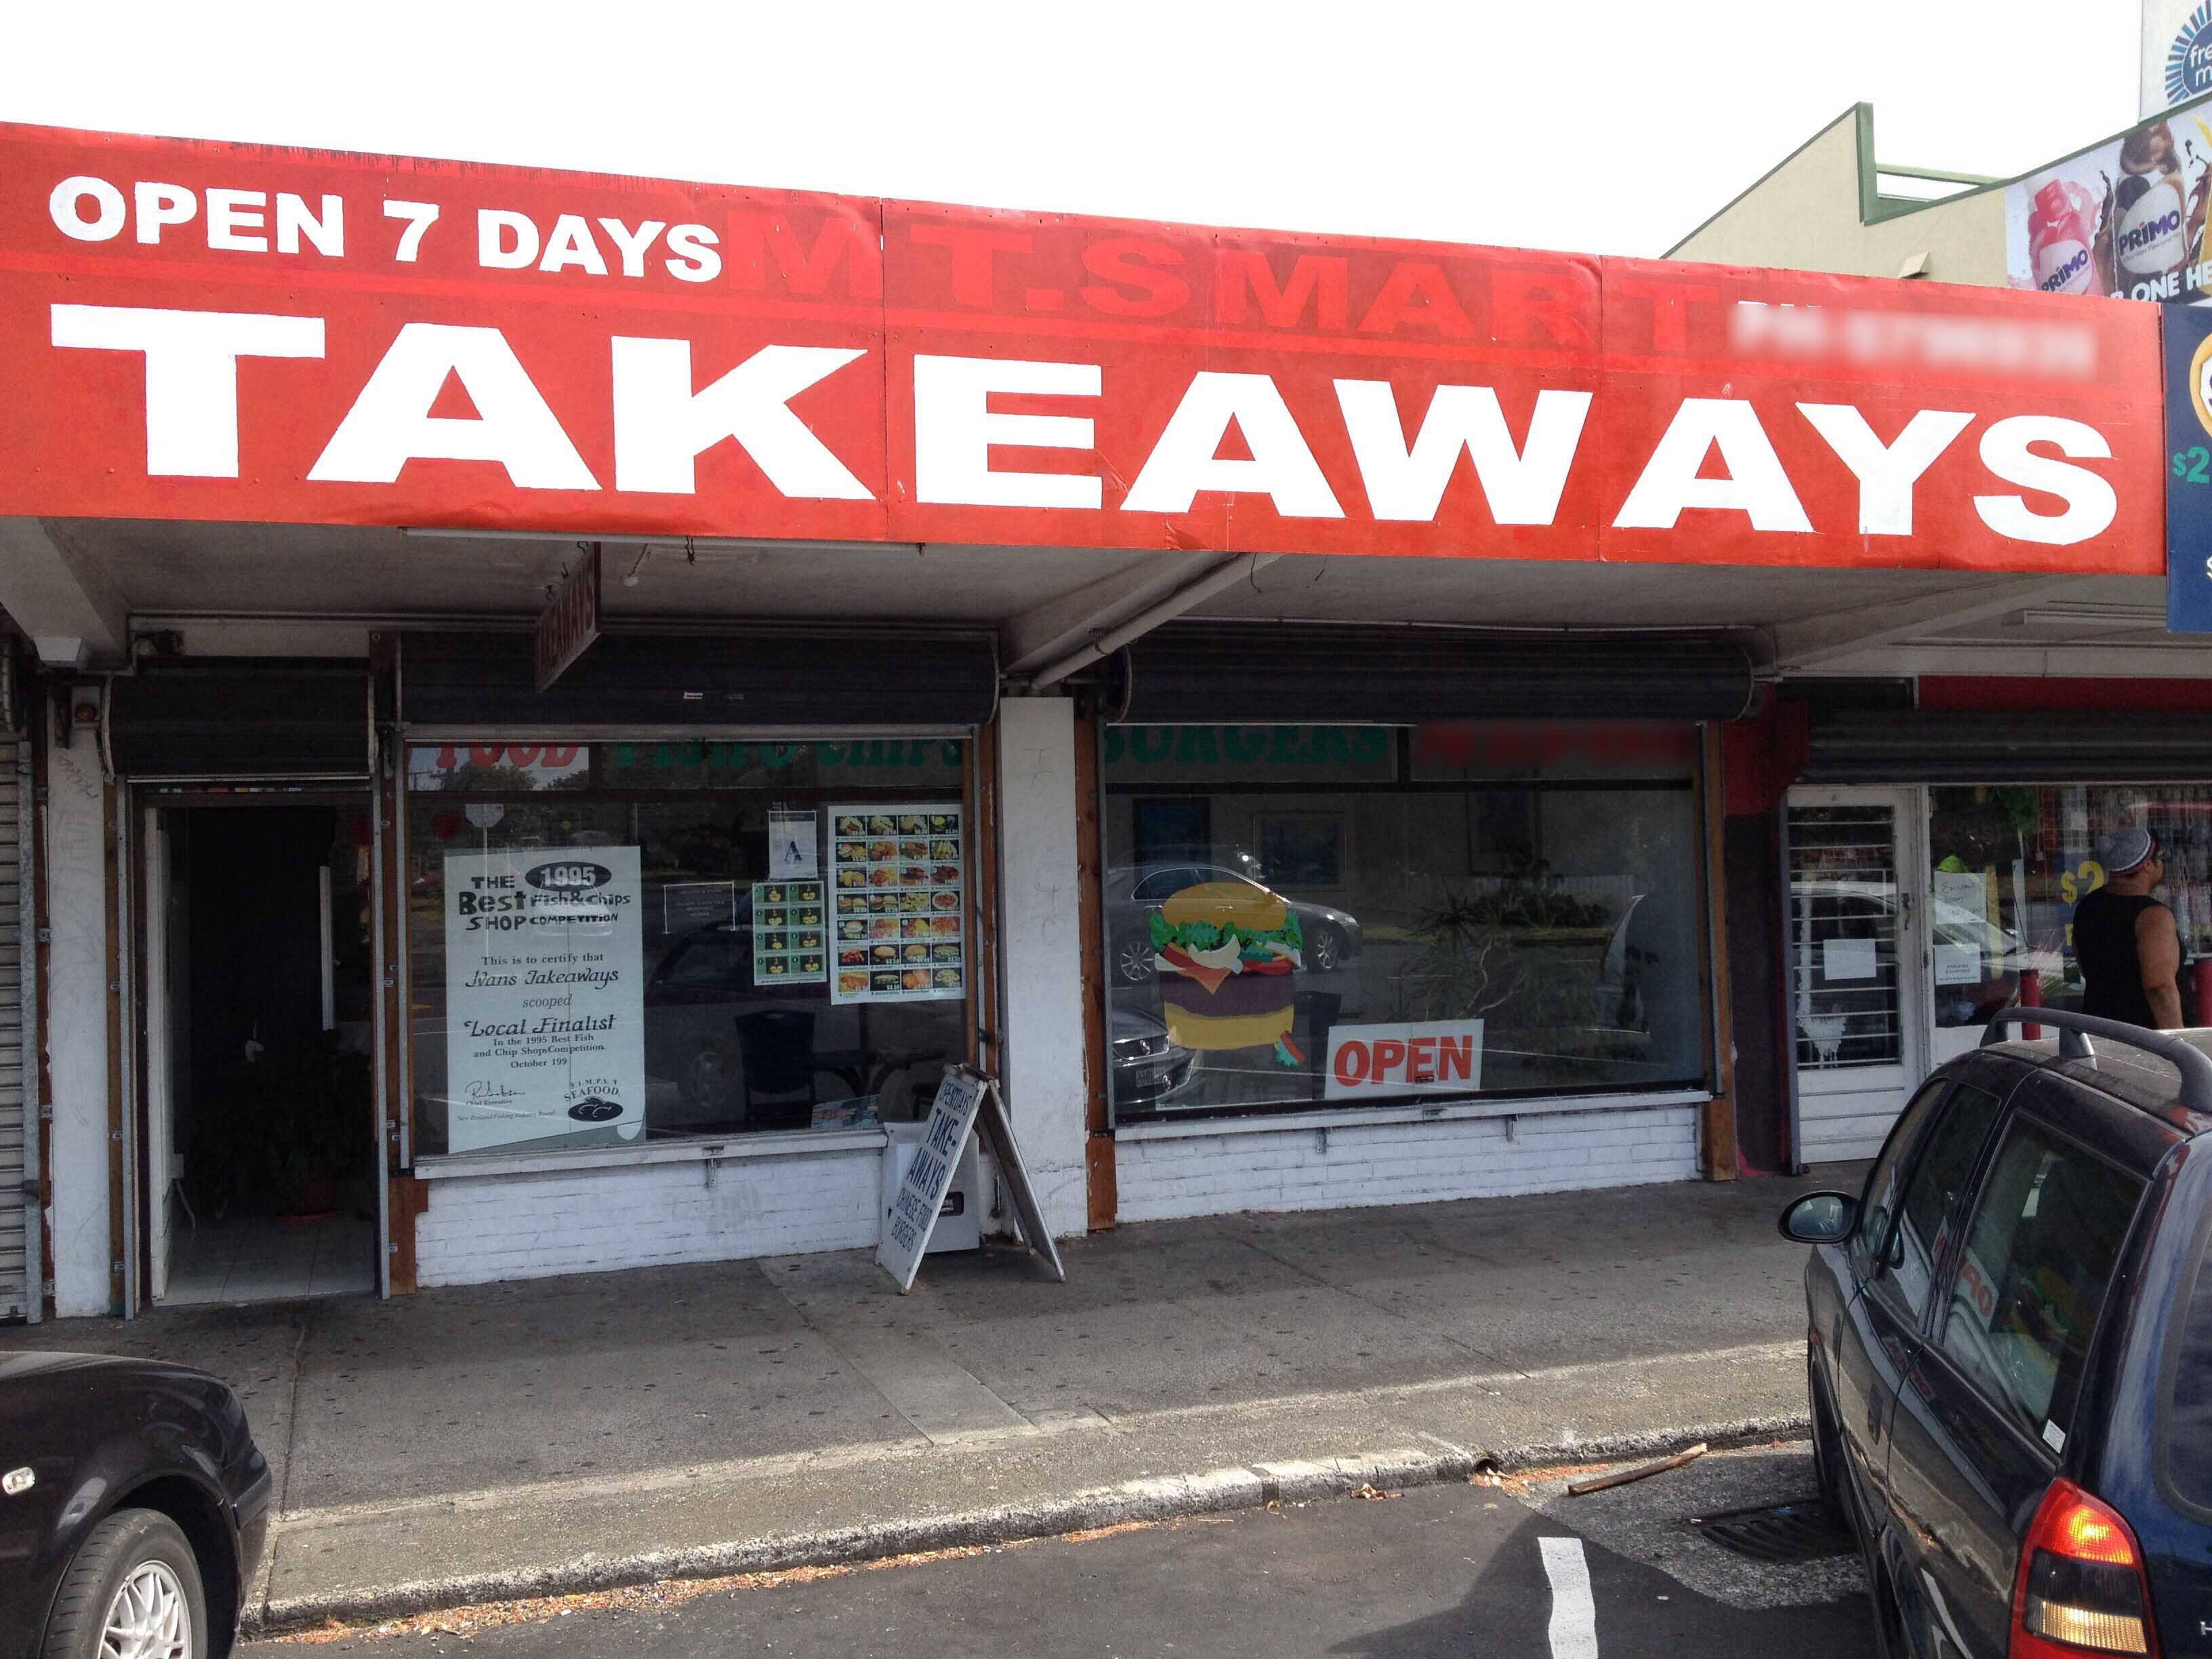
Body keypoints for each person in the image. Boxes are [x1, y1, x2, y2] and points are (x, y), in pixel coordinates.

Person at [2072, 827, 2182, 1030]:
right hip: (2143, 1040)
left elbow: (2085, 967)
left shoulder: (2087, 906)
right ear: (2148, 865)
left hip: (2099, 1029)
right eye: (2162, 858)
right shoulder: (2153, 916)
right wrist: (2178, 1044)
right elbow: (2159, 987)